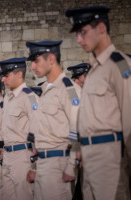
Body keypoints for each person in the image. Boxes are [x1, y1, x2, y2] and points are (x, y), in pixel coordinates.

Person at [66, 5, 131, 199]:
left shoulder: (119, 65)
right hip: (90, 161)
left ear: (101, 28)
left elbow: (129, 121)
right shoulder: (93, 72)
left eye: (83, 32)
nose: (79, 40)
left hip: (111, 161)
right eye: (77, 34)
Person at [26, 40, 81, 200]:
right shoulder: (45, 91)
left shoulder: (69, 89)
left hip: (59, 164)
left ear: (50, 59)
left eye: (36, 61)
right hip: (43, 163)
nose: (33, 67)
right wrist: (35, 166)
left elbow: (77, 128)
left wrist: (71, 166)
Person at [0, 57, 37, 200]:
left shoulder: (29, 97)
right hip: (8, 155)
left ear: (19, 74)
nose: (2, 80)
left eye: (6, 75)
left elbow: (37, 130)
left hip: (23, 156)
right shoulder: (8, 98)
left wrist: (35, 164)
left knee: (24, 195)